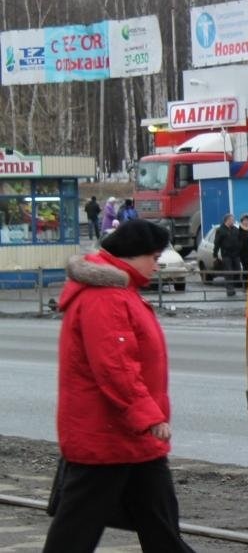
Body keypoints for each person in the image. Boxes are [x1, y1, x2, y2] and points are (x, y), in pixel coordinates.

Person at [43, 219, 195, 552]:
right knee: (77, 531)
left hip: (126, 435)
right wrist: (148, 416)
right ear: (130, 255)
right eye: (153, 257)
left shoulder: (119, 291)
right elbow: (115, 366)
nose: (156, 265)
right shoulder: (106, 297)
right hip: (109, 434)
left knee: (159, 527)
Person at [213, 213, 242, 296]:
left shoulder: (235, 229)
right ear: (227, 220)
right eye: (232, 220)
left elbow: (240, 240)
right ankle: (230, 290)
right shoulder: (220, 230)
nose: (233, 221)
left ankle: (235, 286)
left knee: (238, 271)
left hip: (235, 255)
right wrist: (215, 255)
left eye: (233, 220)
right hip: (226, 255)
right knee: (228, 273)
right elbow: (217, 244)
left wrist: (239, 248)